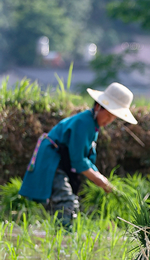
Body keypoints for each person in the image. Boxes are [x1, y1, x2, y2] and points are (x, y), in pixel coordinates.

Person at [19, 82, 137, 227]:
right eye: (109, 115)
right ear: (99, 106)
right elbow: (78, 161)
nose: (109, 121)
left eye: (114, 117)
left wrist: (100, 177)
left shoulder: (93, 125)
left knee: (70, 201)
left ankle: (61, 232)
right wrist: (100, 181)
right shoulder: (84, 123)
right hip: (52, 159)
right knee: (65, 200)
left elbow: (85, 158)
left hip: (61, 160)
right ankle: (62, 236)